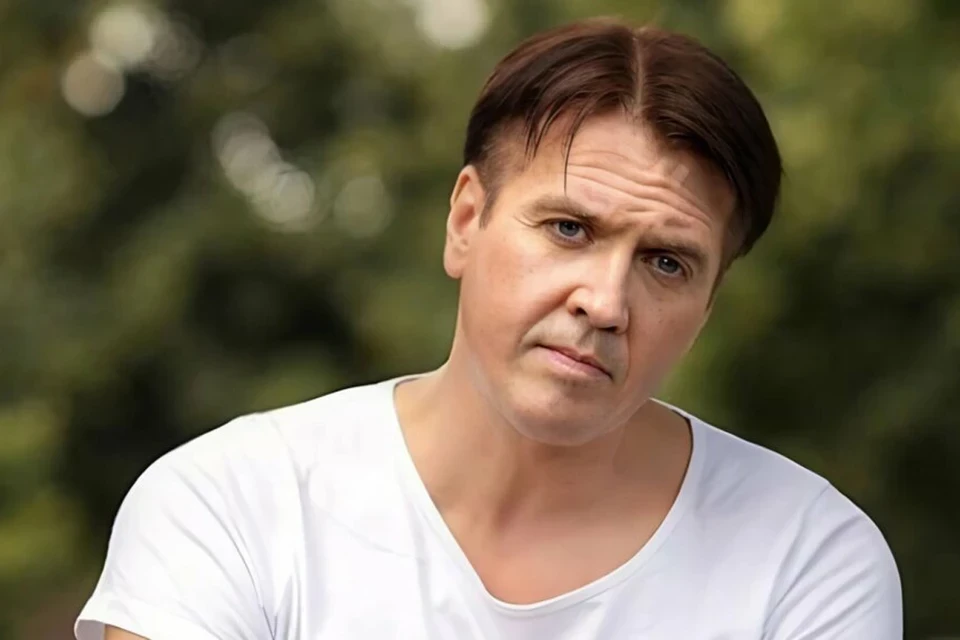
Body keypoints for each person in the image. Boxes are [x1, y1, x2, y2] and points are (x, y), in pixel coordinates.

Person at [75, 17, 902, 640]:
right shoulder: (233, 507)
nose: (604, 303)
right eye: (569, 229)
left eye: (667, 263)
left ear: (708, 305)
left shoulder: (806, 561)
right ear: (466, 220)